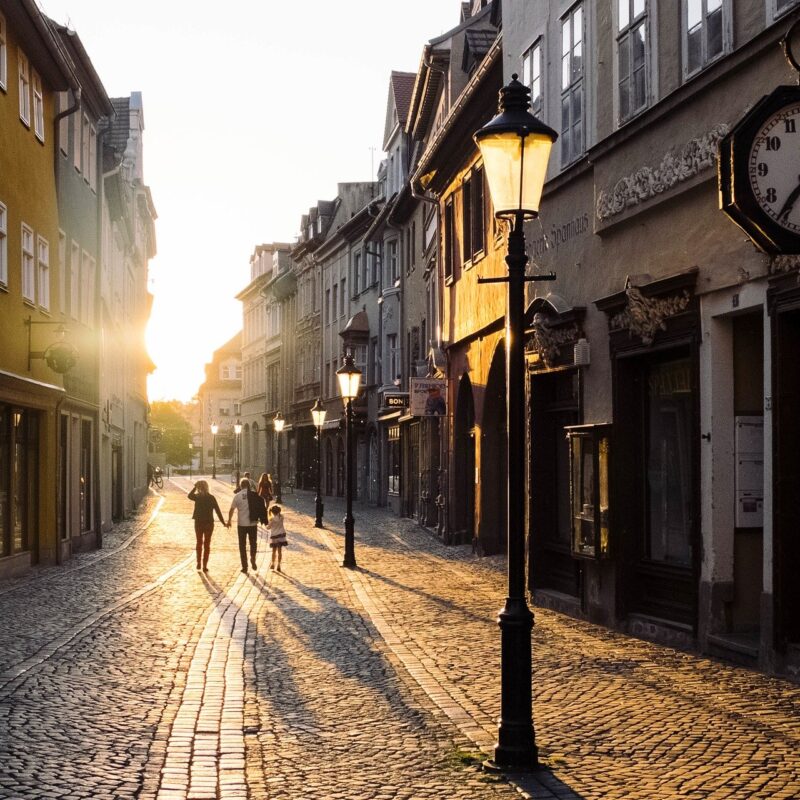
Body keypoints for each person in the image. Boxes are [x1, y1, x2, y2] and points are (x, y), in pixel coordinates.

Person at [227, 478, 267, 573]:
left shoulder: (237, 496)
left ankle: (244, 566)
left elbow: (231, 509)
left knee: (242, 545)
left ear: (241, 486)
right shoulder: (254, 495)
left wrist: (229, 520)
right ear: (248, 485)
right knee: (253, 543)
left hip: (241, 524)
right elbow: (261, 504)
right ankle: (253, 557)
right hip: (252, 523)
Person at [187, 480, 228, 572]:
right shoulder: (211, 498)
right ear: (207, 487)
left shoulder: (197, 497)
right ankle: (205, 565)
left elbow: (189, 496)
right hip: (209, 523)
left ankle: (198, 562)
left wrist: (195, 487)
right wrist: (223, 523)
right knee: (207, 544)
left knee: (199, 542)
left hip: (198, 522)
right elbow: (218, 511)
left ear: (199, 488)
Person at [268, 504, 288, 572]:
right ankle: (279, 565)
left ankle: (273, 564)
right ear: (279, 511)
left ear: (272, 512)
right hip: (281, 536)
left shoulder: (271, 519)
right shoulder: (281, 517)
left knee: (274, 551)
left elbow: (268, 527)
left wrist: (266, 524)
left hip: (274, 537)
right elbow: (280, 514)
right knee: (280, 551)